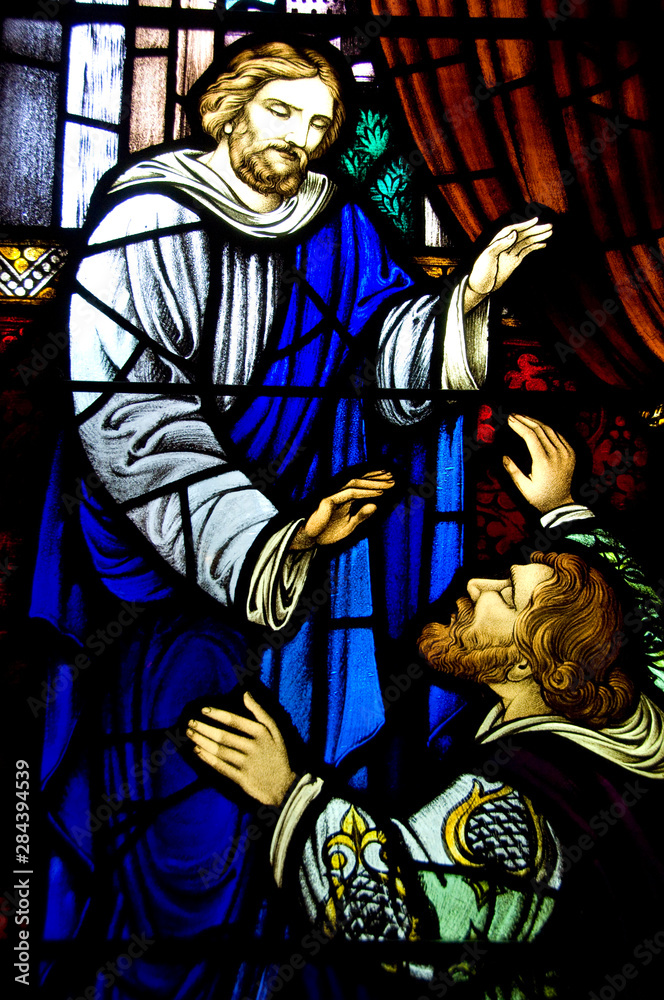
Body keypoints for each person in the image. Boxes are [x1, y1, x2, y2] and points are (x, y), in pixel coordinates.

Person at [31, 38, 552, 1000]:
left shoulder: (338, 222)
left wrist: (463, 303)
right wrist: (271, 539)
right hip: (161, 568)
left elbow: (384, 354)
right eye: (282, 114)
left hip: (305, 576)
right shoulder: (148, 216)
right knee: (176, 819)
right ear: (228, 106)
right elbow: (132, 416)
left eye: (317, 126)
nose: (299, 142)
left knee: (285, 781)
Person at [187, 416, 664, 999]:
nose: (475, 585)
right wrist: (565, 511)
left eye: (506, 597)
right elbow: (651, 625)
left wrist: (288, 792)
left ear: (528, 666)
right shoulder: (637, 721)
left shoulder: (517, 801)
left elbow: (406, 925)